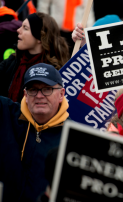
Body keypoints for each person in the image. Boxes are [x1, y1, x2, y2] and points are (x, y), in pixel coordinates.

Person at [0, 63, 69, 202]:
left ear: (61, 94)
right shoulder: (5, 113)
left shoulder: (73, 137)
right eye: (33, 90)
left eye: (47, 89)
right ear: (25, 94)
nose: (39, 95)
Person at [0, 12, 70, 103]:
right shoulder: (12, 61)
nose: (18, 30)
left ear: (40, 38)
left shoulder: (56, 71)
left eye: (25, 28)